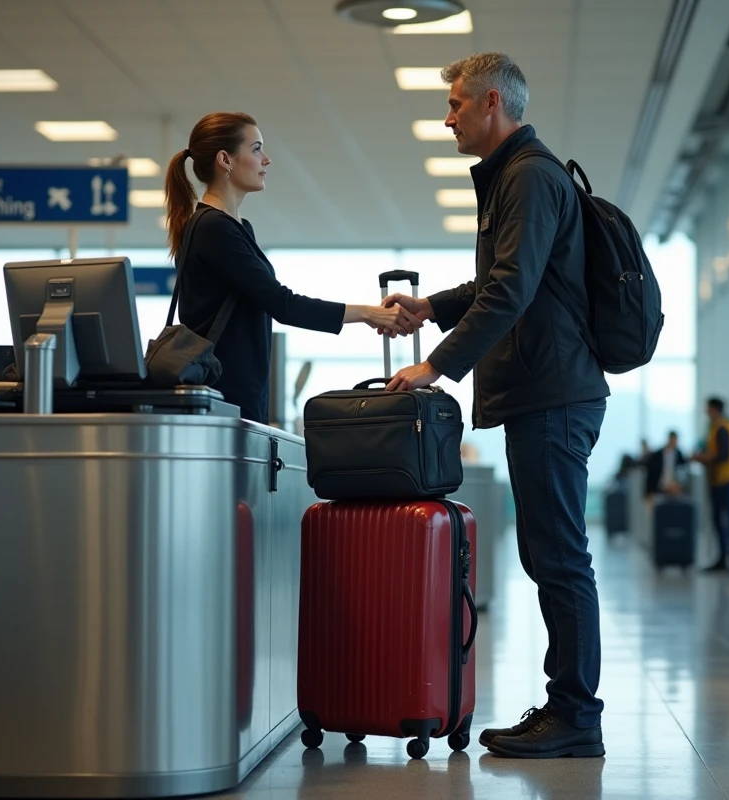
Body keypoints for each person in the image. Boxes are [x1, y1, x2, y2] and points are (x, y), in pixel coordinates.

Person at [383, 52, 609, 759]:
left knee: (559, 557)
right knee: (548, 554)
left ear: (491, 103)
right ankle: (570, 708)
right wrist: (432, 306)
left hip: (554, 394)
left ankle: (576, 715)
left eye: (455, 104)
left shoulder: (530, 176)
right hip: (544, 392)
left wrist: (436, 366)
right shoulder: (516, 175)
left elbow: (511, 289)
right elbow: (502, 281)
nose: (447, 119)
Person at [164, 112, 422, 424]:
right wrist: (369, 314)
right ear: (225, 160)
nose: (266, 159)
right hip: (225, 397)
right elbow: (283, 304)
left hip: (236, 393)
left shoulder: (235, 227)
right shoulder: (213, 228)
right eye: (256, 149)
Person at [692, 397, 729, 572]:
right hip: (727, 479)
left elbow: (724, 455)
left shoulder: (722, 428)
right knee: (722, 519)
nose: (706, 413)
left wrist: (703, 458)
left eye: (708, 409)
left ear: (714, 410)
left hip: (725, 480)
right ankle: (726, 558)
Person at [645, 431, 687, 500]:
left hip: (674, 491)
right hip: (658, 490)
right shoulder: (657, 456)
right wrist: (649, 492)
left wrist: (678, 486)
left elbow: (682, 473)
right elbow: (651, 474)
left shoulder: (679, 455)